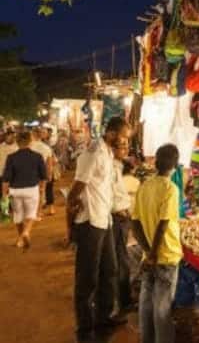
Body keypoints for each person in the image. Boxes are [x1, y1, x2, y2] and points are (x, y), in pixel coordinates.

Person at [67, 117, 130, 343]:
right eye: (123, 137)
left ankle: (103, 317)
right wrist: (72, 204)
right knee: (87, 278)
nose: (125, 142)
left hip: (104, 221)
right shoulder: (93, 152)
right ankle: (84, 329)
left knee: (110, 272)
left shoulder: (108, 153)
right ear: (112, 133)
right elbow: (78, 184)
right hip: (90, 222)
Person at [132, 144, 182, 343]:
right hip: (166, 255)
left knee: (146, 305)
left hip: (149, 256)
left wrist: (146, 251)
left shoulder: (144, 187)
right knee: (162, 310)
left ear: (156, 162)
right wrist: (153, 253)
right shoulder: (170, 189)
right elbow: (163, 224)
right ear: (175, 165)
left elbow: (135, 222)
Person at [1, 131, 47, 250]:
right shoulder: (37, 156)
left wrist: (4, 194)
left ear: (17, 142)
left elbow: (6, 178)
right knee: (31, 215)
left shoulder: (11, 157)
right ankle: (26, 233)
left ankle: (20, 240)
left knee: (18, 215)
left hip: (15, 190)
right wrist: (42, 189)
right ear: (30, 141)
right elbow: (43, 176)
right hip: (31, 189)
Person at [112, 137, 134, 312]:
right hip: (117, 218)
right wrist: (120, 210)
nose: (126, 150)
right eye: (122, 146)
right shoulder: (111, 167)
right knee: (121, 260)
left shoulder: (117, 167)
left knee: (121, 259)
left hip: (121, 217)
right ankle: (123, 301)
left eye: (127, 146)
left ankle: (122, 299)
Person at [31, 128, 55, 216]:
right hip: (42, 173)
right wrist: (49, 174)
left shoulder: (29, 146)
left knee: (31, 193)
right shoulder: (46, 147)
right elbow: (49, 163)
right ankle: (39, 212)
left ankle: (32, 212)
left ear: (33, 135)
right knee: (41, 193)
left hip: (30, 173)